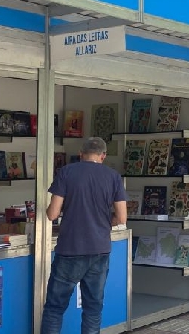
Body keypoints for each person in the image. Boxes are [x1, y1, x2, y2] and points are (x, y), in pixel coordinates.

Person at [41, 137, 127, 334]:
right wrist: (106, 222)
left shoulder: (66, 172)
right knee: (93, 308)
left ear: (81, 153)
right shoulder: (113, 176)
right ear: (103, 156)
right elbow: (122, 217)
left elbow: (52, 214)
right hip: (100, 249)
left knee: (55, 308)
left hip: (70, 249)